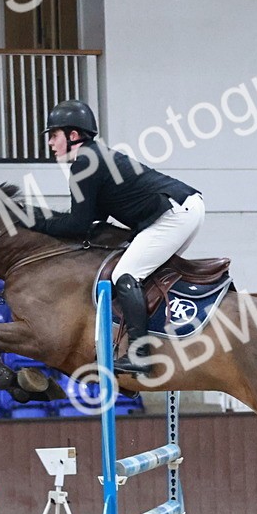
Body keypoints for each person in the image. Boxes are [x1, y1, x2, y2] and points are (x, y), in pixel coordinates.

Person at [26, 100, 204, 375]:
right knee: (144, 276)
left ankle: (140, 355)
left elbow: (78, 224)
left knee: (125, 275)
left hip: (174, 214)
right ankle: (154, 344)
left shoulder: (84, 161)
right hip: (184, 208)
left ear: (73, 136)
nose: (50, 143)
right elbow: (91, 219)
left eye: (54, 135)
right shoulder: (94, 157)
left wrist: (34, 222)